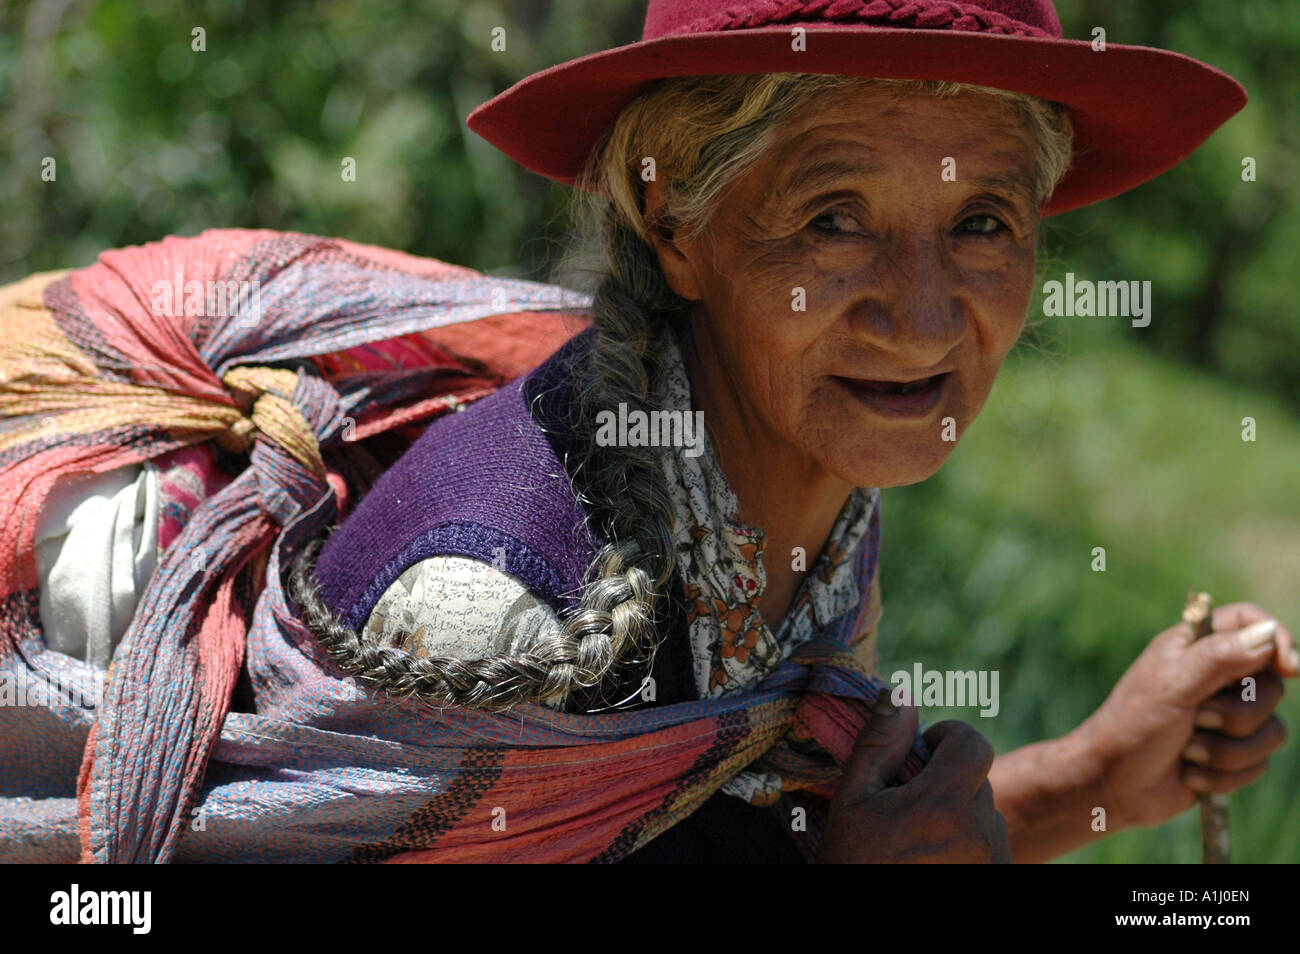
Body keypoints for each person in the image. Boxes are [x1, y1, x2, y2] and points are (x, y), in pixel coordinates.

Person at [289, 0, 1296, 862]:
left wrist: (1096, 777)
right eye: (835, 220)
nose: (923, 321)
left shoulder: (810, 483)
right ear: (671, 216)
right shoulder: (492, 620)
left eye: (981, 222)